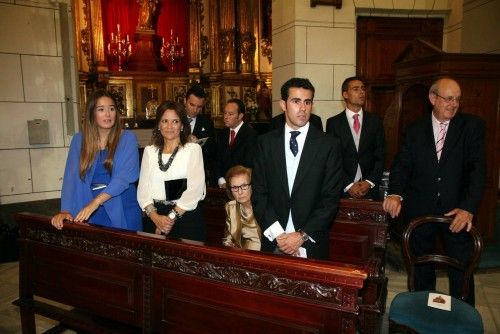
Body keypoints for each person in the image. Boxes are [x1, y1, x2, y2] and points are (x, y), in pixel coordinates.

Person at [383, 77, 486, 306]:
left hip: (457, 212)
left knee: (461, 267)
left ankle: (463, 317)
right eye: (448, 98)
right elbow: (402, 165)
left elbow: (478, 172)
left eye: (457, 99)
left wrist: (468, 208)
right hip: (420, 210)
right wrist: (395, 193)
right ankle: (424, 311)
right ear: (432, 98)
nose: (454, 104)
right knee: (421, 267)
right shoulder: (415, 129)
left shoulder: (472, 126)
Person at [252, 77, 343, 260]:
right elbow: (260, 194)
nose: (303, 108)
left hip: (311, 241)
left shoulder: (328, 144)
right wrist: (280, 235)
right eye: (296, 101)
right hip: (274, 240)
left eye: (307, 102)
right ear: (283, 104)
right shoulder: (266, 143)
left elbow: (330, 199)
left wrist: (301, 236)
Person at [51, 90, 142, 231]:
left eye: (112, 109)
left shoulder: (127, 138)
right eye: (101, 109)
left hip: (122, 205)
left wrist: (96, 202)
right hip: (89, 206)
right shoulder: (79, 140)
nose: (108, 114)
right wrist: (65, 210)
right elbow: (71, 178)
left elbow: (124, 178)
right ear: (92, 114)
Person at [137, 101, 206, 242]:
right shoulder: (149, 151)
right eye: (165, 121)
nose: (169, 126)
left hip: (185, 216)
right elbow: (143, 190)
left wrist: (169, 218)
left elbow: (195, 190)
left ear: (182, 125)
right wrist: (155, 218)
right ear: (158, 125)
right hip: (154, 217)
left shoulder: (192, 150)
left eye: (175, 121)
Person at [326, 76, 385, 199]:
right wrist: (348, 185)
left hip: (370, 189)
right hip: (344, 189)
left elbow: (381, 155)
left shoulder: (375, 121)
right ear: (345, 94)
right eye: (356, 89)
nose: (362, 92)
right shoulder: (333, 123)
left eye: (363, 89)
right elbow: (333, 159)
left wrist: (369, 182)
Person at [215, 98, 258, 188]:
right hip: (222, 185)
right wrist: (221, 180)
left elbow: (249, 164)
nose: (226, 117)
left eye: (230, 114)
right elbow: (217, 160)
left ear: (240, 116)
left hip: (241, 185)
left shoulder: (251, 135)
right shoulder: (222, 134)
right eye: (225, 113)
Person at [222, 165, 261, 250]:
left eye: (244, 186)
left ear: (252, 186)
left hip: (265, 257)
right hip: (241, 257)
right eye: (235, 187)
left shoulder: (264, 206)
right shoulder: (230, 207)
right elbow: (227, 240)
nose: (240, 192)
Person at [184, 84, 216, 184]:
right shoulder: (174, 119)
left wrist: (197, 145)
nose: (195, 110)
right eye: (192, 105)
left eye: (199, 107)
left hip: (198, 172)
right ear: (185, 101)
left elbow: (212, 151)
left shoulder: (207, 123)